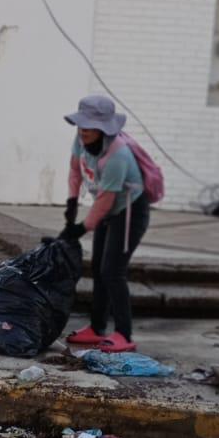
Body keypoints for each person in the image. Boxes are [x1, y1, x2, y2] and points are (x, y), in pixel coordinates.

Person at [58, 94, 150, 353]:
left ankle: (124, 333)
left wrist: (80, 228)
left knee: (113, 271)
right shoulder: (80, 140)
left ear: (104, 128)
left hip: (130, 212)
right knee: (98, 268)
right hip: (107, 211)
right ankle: (97, 328)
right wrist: (72, 202)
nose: (84, 129)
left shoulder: (118, 154)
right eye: (82, 124)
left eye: (90, 125)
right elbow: (75, 170)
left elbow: (106, 200)